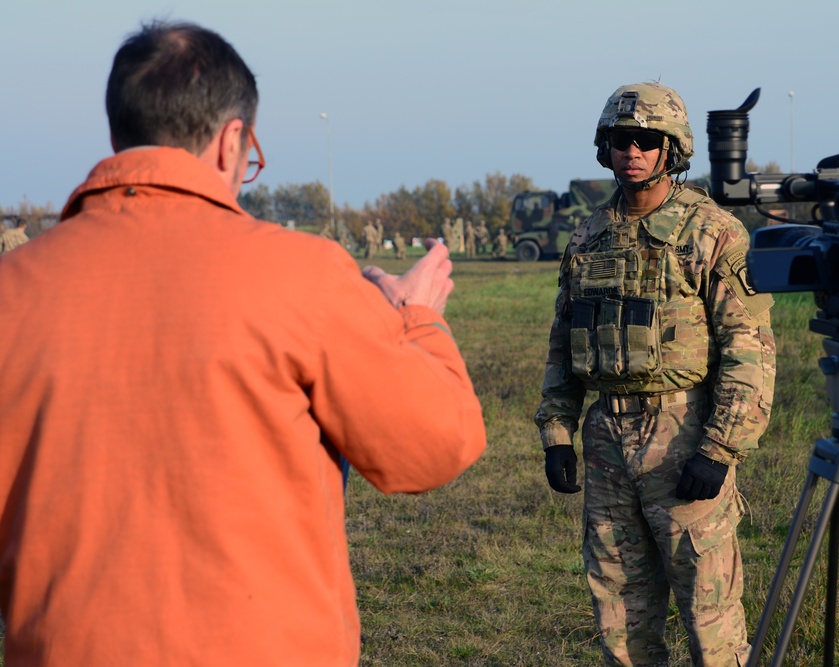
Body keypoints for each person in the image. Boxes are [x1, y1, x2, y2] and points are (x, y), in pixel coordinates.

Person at [0, 20, 486, 666]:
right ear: (233, 142)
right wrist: (415, 317)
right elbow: (433, 445)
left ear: (118, 134)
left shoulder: (13, 291)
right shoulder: (303, 274)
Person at [534, 81, 776, 667]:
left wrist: (720, 448)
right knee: (618, 607)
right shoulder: (589, 234)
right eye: (621, 140)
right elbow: (563, 343)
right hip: (607, 441)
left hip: (682, 431)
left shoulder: (711, 231)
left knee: (708, 610)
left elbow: (750, 348)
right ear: (605, 147)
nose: (632, 151)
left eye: (646, 140)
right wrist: (557, 434)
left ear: (672, 149)